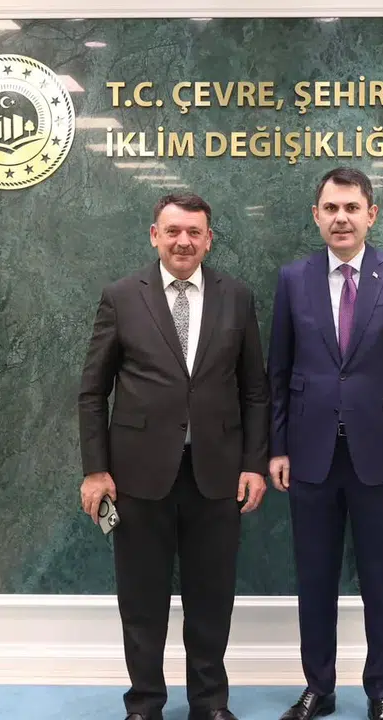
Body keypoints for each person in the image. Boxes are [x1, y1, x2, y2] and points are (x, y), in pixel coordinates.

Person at [78, 193, 270, 720]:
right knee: (142, 598)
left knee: (212, 597)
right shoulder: (121, 297)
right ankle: (144, 704)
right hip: (136, 475)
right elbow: (93, 391)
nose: (183, 241)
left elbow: (255, 390)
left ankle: (209, 703)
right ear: (154, 236)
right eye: (173, 231)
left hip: (218, 474)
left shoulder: (237, 297)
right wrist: (95, 469)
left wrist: (253, 463)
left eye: (194, 233)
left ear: (209, 240)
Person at [267, 167, 383, 720]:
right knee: (314, 579)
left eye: (351, 208)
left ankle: (380, 691)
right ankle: (318, 688)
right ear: (316, 216)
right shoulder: (293, 279)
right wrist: (277, 448)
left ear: (371, 214)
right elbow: (278, 372)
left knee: (381, 582)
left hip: (382, 457)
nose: (341, 218)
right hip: (309, 455)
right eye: (331, 208)